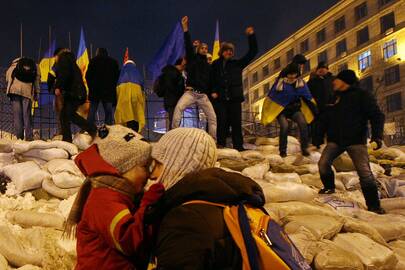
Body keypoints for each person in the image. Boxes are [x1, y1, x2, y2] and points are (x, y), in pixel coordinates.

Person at [148, 128, 264, 269]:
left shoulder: (185, 220)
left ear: (178, 164)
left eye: (158, 165)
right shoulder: (227, 197)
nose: (152, 175)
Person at [65, 124, 164, 270]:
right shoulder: (104, 199)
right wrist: (149, 204)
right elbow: (128, 240)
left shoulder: (121, 195)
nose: (150, 175)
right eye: (144, 167)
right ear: (123, 169)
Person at [318, 69, 385, 214]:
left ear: (344, 81)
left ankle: (374, 205)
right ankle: (329, 187)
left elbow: (377, 116)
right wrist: (317, 137)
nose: (333, 82)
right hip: (335, 140)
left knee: (365, 174)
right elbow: (325, 119)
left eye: (337, 80)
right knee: (323, 163)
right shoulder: (334, 98)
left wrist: (377, 137)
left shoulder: (362, 96)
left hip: (355, 140)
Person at [210, 27, 258, 151]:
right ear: (222, 52)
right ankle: (221, 145)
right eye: (226, 50)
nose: (229, 52)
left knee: (236, 123)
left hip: (234, 98)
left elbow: (253, 52)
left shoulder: (237, 64)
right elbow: (211, 79)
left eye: (231, 51)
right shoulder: (215, 64)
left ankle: (238, 147)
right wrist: (213, 91)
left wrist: (251, 36)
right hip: (220, 98)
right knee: (222, 122)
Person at [171, 16, 217, 140]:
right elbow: (187, 45)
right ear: (198, 49)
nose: (204, 50)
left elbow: (211, 80)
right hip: (191, 93)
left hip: (203, 95)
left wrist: (212, 91)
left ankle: (213, 140)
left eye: (206, 49)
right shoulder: (192, 59)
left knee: (212, 117)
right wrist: (185, 28)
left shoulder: (209, 66)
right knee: (178, 109)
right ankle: (173, 135)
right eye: (202, 48)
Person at [261, 63, 317, 157]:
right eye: (290, 74)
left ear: (297, 74)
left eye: (294, 74)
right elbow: (271, 97)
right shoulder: (279, 83)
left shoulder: (301, 83)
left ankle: (304, 148)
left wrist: (314, 109)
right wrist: (267, 111)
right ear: (286, 74)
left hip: (294, 110)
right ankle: (283, 150)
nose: (292, 76)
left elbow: (307, 96)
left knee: (303, 124)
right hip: (281, 111)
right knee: (284, 126)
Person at [54, 50, 97, 142]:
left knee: (68, 114)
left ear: (58, 56)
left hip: (73, 94)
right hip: (77, 93)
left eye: (55, 57)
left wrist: (58, 86)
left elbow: (64, 75)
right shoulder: (73, 64)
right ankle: (67, 139)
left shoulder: (64, 61)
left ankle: (92, 129)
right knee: (65, 115)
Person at [6, 57, 41, 140]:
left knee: (17, 116)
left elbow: (8, 77)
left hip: (15, 91)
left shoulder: (14, 65)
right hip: (27, 92)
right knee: (27, 115)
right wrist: (37, 92)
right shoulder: (35, 66)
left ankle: (19, 138)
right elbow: (37, 80)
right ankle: (29, 137)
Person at [86, 48, 120, 126]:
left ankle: (89, 128)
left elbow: (87, 76)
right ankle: (108, 128)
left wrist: (91, 87)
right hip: (108, 91)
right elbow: (116, 77)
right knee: (108, 111)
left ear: (97, 53)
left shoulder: (93, 61)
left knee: (92, 110)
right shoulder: (113, 62)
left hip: (95, 90)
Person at [307, 61, 334, 148]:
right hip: (317, 111)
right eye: (320, 69)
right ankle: (317, 149)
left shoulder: (333, 79)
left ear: (327, 70)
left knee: (332, 132)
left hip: (331, 109)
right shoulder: (312, 81)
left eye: (324, 68)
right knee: (317, 132)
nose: (322, 70)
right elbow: (307, 95)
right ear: (317, 70)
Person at [114, 60, 146, 133]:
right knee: (136, 114)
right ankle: (136, 133)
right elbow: (142, 87)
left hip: (123, 96)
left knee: (125, 114)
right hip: (136, 94)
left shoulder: (121, 73)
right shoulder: (137, 72)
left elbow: (117, 88)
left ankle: (126, 134)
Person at [159, 57, 186, 129]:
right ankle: (172, 138)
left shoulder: (172, 72)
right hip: (173, 101)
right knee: (175, 121)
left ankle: (173, 137)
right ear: (181, 64)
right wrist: (181, 90)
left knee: (174, 121)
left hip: (171, 100)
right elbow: (171, 86)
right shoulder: (173, 73)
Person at [47, 48, 69, 137]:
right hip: (70, 92)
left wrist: (51, 89)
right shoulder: (71, 62)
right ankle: (67, 132)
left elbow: (51, 76)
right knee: (68, 112)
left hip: (59, 92)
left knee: (60, 112)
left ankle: (61, 132)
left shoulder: (58, 64)